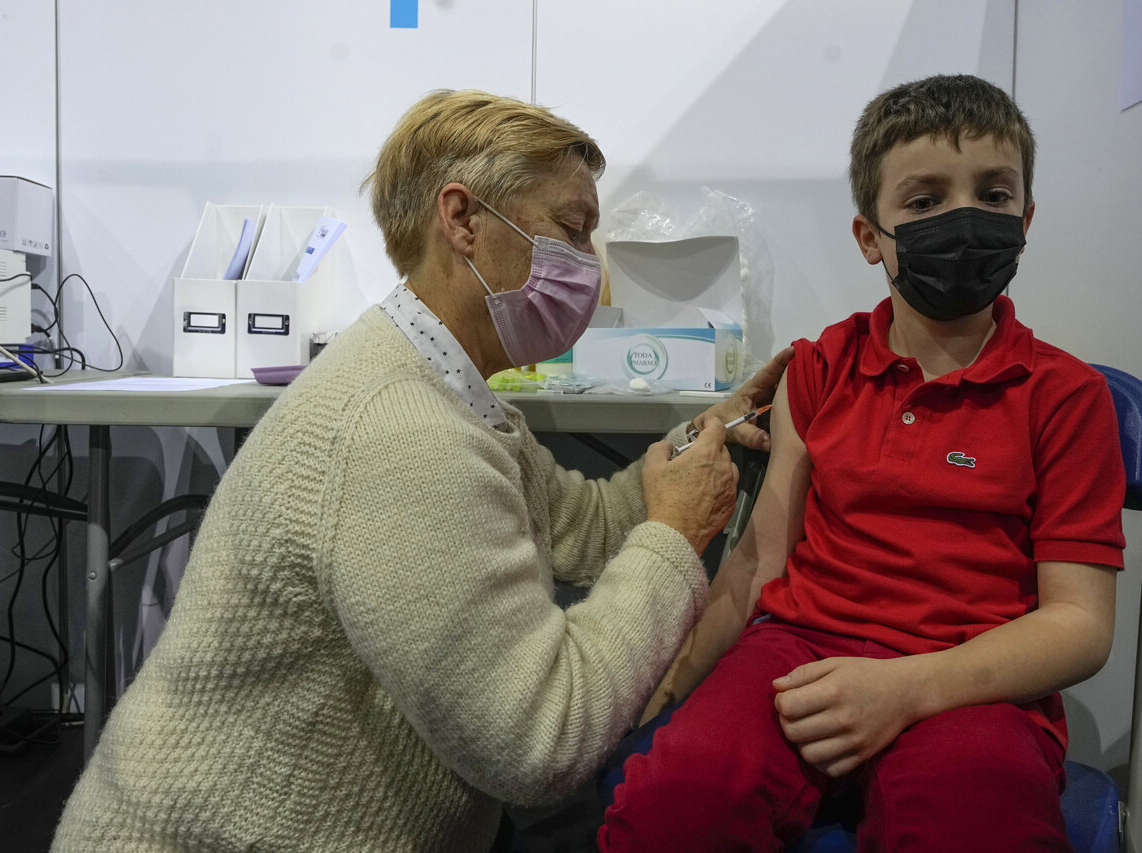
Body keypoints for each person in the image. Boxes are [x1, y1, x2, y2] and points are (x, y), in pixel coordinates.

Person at [51, 90, 792, 852]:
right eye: (571, 232)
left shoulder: (447, 387)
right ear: (464, 220)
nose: (587, 268)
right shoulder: (402, 432)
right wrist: (673, 534)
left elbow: (584, 521)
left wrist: (704, 437)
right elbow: (542, 740)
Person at [599, 74, 1127, 852]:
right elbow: (757, 562)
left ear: (1027, 216)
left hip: (971, 679)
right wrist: (669, 687)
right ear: (869, 237)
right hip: (798, 650)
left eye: (993, 193)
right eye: (924, 201)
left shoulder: (1065, 396)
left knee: (978, 828)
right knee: (673, 806)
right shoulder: (819, 368)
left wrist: (912, 687)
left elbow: (1080, 623)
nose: (964, 219)